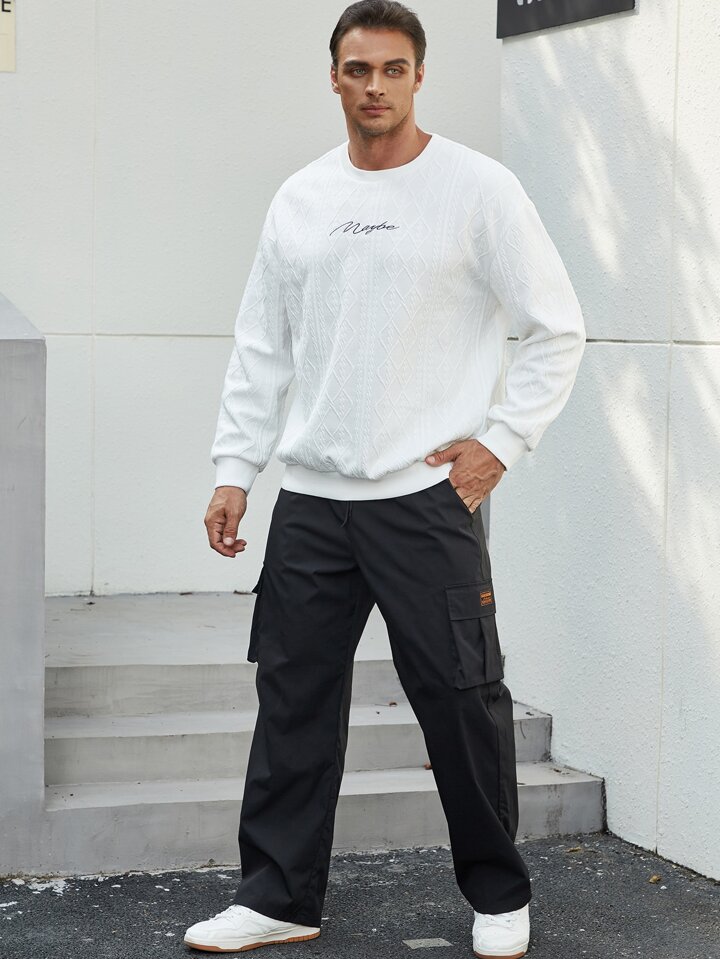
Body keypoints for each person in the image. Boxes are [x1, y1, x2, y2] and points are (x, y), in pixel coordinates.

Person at [184, 2, 586, 955]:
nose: (375, 86)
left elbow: (557, 328)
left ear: (418, 77)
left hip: (425, 500)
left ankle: (499, 895)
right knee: (292, 704)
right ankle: (279, 897)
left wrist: (502, 441)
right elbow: (262, 348)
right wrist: (236, 469)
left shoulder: (476, 189)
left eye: (393, 69)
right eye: (358, 69)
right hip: (313, 499)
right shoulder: (301, 198)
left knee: (463, 702)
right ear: (334, 77)